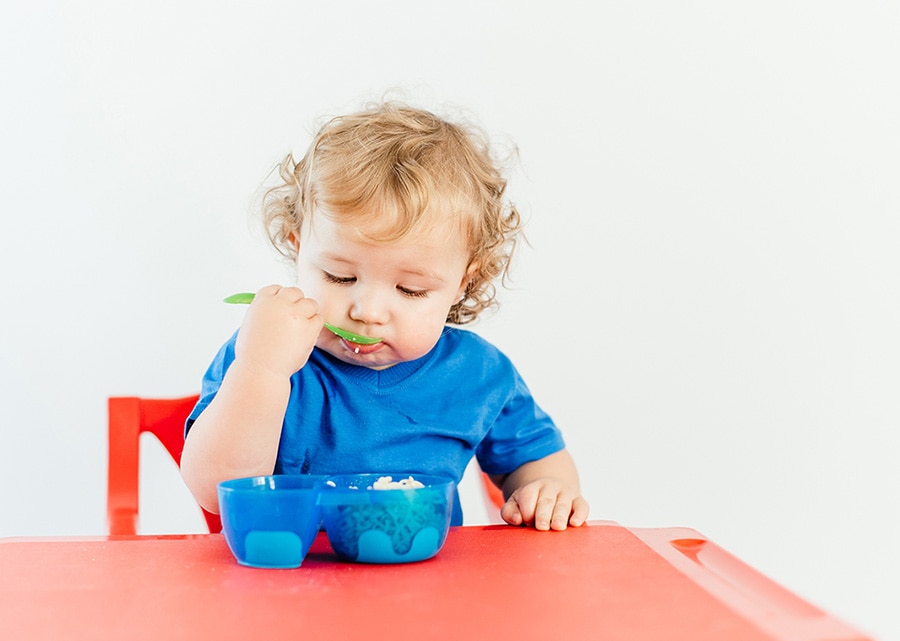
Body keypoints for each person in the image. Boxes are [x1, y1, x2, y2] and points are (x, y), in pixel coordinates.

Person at [180, 102, 590, 531]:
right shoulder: (263, 351)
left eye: (410, 289)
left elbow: (536, 462)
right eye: (340, 277)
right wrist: (261, 372)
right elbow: (215, 491)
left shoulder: (479, 375)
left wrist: (546, 488)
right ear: (298, 247)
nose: (368, 312)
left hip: (426, 589)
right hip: (284, 580)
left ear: (461, 283)